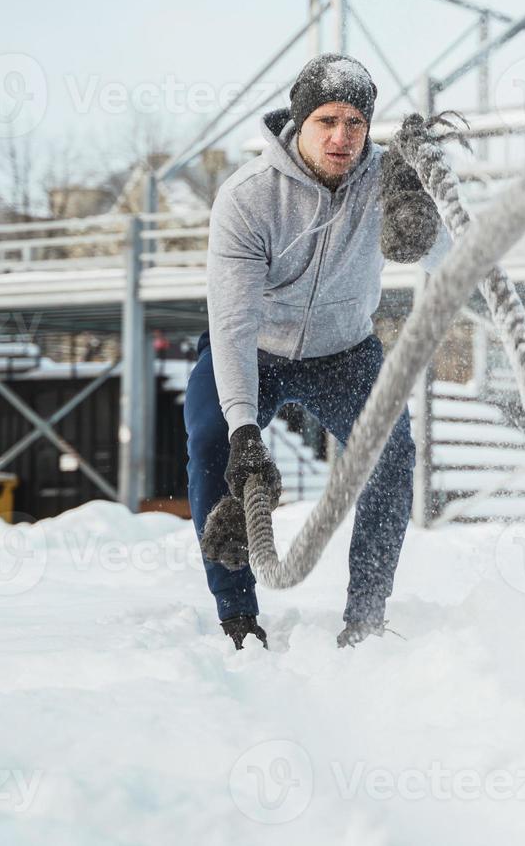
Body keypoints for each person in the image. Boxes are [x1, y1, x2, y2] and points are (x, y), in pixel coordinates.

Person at [184, 53, 451, 650]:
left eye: (355, 123)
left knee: (390, 452)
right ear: (298, 124)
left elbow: (453, 261)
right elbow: (231, 323)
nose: (341, 136)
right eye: (326, 120)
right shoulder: (248, 198)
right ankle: (236, 616)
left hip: (344, 353)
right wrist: (244, 430)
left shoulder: (385, 182)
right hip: (254, 346)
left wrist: (423, 212)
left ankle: (366, 617)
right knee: (211, 442)